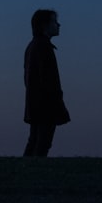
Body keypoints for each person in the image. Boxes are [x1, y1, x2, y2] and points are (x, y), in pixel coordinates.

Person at [23, 9, 70, 156]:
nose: (58, 25)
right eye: (54, 22)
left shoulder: (33, 46)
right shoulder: (43, 48)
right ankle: (32, 173)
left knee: (35, 141)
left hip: (36, 104)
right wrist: (56, 101)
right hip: (45, 105)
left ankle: (25, 171)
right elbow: (49, 81)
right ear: (45, 25)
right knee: (42, 143)